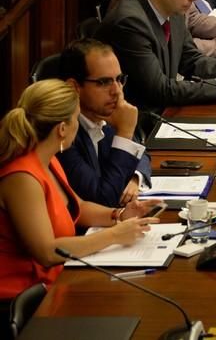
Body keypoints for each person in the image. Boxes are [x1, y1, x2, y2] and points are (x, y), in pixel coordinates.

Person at [0, 79, 159, 304]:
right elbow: (46, 252)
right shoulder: (22, 178)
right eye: (76, 119)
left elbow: (79, 208)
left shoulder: (48, 159)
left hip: (57, 281)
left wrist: (119, 215)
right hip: (24, 299)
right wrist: (114, 235)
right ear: (62, 129)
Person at [56, 39, 152, 207]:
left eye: (119, 79)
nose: (117, 91)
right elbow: (104, 199)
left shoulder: (104, 115)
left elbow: (141, 154)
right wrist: (124, 133)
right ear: (74, 87)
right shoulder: (62, 136)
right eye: (104, 82)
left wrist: (135, 178)